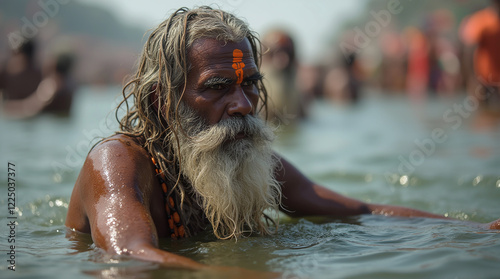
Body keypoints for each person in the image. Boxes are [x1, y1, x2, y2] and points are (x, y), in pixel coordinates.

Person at [65, 6, 500, 275]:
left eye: (250, 84)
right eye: (218, 86)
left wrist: (476, 232)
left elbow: (360, 213)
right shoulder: (117, 162)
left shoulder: (242, 155)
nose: (243, 104)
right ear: (163, 101)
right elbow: (129, 257)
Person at [460, 0, 500, 111]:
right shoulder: (481, 21)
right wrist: (472, 80)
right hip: (484, 82)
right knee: (484, 117)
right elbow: (468, 52)